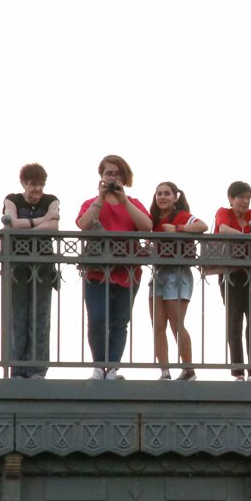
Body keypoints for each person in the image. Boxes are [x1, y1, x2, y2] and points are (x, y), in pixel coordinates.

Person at [76, 155, 152, 380]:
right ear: (101, 176)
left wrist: (125, 200)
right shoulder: (92, 202)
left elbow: (146, 226)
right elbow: (83, 225)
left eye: (117, 174)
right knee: (98, 317)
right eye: (109, 173)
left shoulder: (134, 203)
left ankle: (113, 368)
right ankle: (100, 365)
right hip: (97, 270)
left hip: (127, 271)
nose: (113, 177)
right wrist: (100, 198)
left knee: (120, 321)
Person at [3, 163, 60, 379]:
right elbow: (12, 225)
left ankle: (37, 369)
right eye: (32, 185)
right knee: (18, 316)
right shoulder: (12, 199)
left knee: (40, 316)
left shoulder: (51, 199)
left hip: (43, 265)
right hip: (17, 264)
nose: (37, 190)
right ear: (23, 183)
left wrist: (25, 225)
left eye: (40, 185)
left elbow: (53, 227)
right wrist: (42, 220)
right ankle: (17, 369)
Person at [148, 181, 206, 381]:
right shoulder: (154, 220)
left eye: (166, 193)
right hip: (158, 273)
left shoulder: (182, 216)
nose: (162, 197)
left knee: (176, 323)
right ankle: (165, 371)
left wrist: (177, 229)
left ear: (175, 197)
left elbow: (202, 226)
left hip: (178, 273)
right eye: (159, 194)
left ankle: (188, 369)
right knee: (157, 325)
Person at [213, 181, 251, 380]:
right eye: (241, 197)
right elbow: (224, 229)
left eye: (248, 197)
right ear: (231, 198)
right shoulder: (224, 212)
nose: (245, 201)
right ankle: (238, 372)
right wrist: (249, 238)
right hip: (231, 273)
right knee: (234, 319)